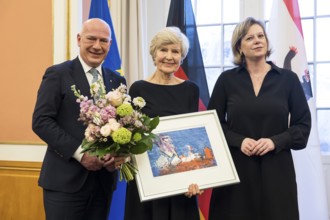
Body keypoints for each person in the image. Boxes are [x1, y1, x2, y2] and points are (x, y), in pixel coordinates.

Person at [207, 17, 311, 220]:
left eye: (261, 36)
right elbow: (212, 124)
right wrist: (240, 141)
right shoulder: (226, 80)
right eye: (250, 38)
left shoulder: (288, 79)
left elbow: (303, 126)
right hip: (236, 174)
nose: (257, 41)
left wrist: (275, 141)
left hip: (277, 173)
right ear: (239, 47)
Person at [32, 18, 127, 220]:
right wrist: (80, 154)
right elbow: (41, 121)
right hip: (64, 184)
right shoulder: (57, 74)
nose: (96, 46)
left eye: (103, 40)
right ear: (78, 39)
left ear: (110, 44)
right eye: (91, 39)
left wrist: (117, 155)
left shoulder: (117, 81)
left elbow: (121, 126)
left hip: (103, 183)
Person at [124, 27, 202, 220]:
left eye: (175, 51)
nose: (169, 56)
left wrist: (194, 178)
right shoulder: (137, 88)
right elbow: (132, 136)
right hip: (148, 180)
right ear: (154, 53)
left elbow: (193, 135)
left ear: (181, 57)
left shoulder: (191, 90)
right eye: (163, 50)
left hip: (181, 180)